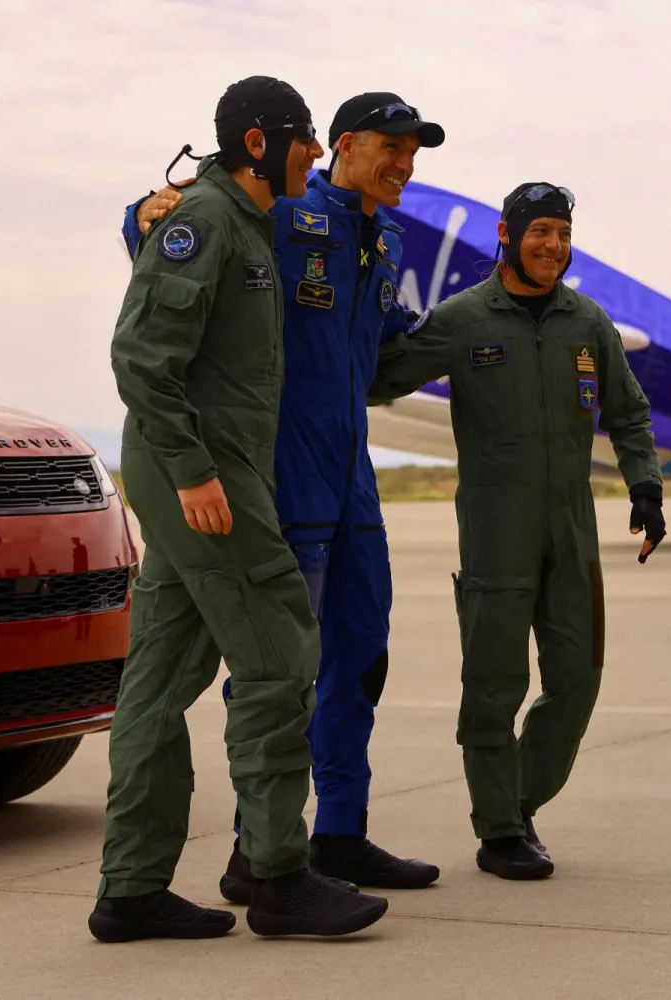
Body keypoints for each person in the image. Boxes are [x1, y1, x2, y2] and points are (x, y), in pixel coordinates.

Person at [121, 93, 447, 900]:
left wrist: (480, 339)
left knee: (359, 656)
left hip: (352, 481)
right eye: (390, 147)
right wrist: (141, 210)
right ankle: (261, 848)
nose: (404, 163)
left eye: (415, 151)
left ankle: (339, 831)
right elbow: (185, 237)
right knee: (279, 669)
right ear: (341, 146)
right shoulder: (287, 214)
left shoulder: (387, 237)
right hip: (281, 475)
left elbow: (378, 362)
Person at [367, 182, 667, 879]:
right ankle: (499, 829)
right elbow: (383, 378)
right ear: (507, 233)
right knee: (494, 686)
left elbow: (628, 412)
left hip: (572, 531)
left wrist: (645, 485)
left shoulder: (586, 321)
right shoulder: (465, 318)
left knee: (577, 680)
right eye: (539, 233)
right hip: (495, 532)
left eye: (562, 234)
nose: (552, 247)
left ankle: (517, 804)